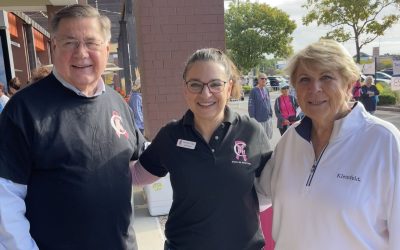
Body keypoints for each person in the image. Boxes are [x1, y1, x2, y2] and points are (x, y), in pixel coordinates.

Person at [0, 5, 146, 250]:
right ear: (54, 47)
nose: (81, 53)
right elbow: (5, 198)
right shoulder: (24, 109)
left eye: (91, 42)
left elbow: (135, 168)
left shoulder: (118, 103)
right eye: (70, 43)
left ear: (105, 48)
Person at [256, 39, 400, 249]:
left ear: (349, 83)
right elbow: (257, 196)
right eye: (304, 79)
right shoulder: (290, 139)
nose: (315, 89)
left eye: (326, 77)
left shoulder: (383, 142)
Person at [133, 48, 272, 250]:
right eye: (195, 84)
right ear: (185, 88)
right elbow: (137, 175)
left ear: (229, 87)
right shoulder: (171, 135)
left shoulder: (252, 131)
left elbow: (272, 190)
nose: (205, 94)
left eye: (215, 84)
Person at [248, 73, 273, 139]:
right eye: (262, 78)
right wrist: (253, 119)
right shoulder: (253, 91)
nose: (264, 80)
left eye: (265, 79)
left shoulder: (266, 90)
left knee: (267, 138)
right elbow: (251, 106)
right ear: (258, 80)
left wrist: (270, 114)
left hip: (267, 119)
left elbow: (268, 103)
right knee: (260, 139)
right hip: (259, 120)